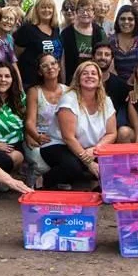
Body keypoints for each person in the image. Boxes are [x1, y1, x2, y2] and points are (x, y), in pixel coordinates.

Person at [40, 61, 116, 189]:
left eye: (93, 73)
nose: (89, 76)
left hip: (91, 148)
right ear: (78, 78)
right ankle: (44, 180)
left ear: (99, 79)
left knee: (113, 166)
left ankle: (92, 187)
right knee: (73, 167)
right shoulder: (69, 99)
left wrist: (96, 149)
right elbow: (68, 137)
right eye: (85, 74)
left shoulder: (106, 101)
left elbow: (112, 133)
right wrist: (89, 162)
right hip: (60, 145)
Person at [24, 54, 66, 188]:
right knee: (41, 166)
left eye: (53, 63)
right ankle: (33, 177)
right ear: (39, 71)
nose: (50, 67)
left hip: (61, 138)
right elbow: (30, 121)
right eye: (45, 65)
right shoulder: (34, 91)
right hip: (39, 136)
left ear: (59, 67)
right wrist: (35, 136)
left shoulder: (68, 91)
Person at [0, 61, 27, 177]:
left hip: (16, 145)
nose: (3, 80)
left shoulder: (21, 98)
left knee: (15, 157)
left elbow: (28, 121)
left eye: (7, 76)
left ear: (13, 79)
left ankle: (6, 176)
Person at [14, 0, 62, 89]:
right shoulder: (27, 29)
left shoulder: (56, 29)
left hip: (51, 80)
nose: (47, 10)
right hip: (30, 81)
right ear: (36, 10)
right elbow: (16, 55)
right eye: (43, 7)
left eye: (49, 7)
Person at [93, 42, 132, 143]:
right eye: (99, 54)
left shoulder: (120, 85)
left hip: (112, 128)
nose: (103, 57)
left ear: (112, 59)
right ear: (93, 57)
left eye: (107, 54)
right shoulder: (83, 81)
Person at [61, 0, 105, 83]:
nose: (85, 13)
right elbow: (62, 61)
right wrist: (64, 82)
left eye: (89, 10)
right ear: (76, 12)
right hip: (73, 78)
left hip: (94, 79)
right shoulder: (66, 33)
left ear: (93, 13)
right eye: (81, 10)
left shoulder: (99, 32)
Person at [109, 5, 138, 82]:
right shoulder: (111, 40)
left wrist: (131, 81)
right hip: (115, 82)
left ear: (136, 21)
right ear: (117, 21)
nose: (126, 22)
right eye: (122, 19)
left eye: (130, 19)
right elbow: (110, 66)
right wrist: (119, 83)